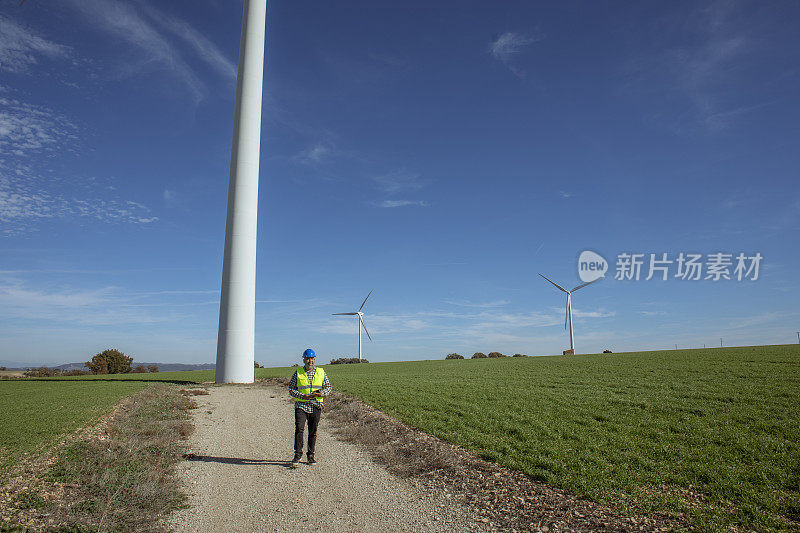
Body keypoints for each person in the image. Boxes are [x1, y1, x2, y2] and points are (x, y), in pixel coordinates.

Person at [288, 348, 331, 464]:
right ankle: (297, 455)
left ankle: (310, 456)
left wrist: (321, 394)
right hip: (301, 405)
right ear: (304, 360)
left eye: (312, 359)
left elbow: (328, 387)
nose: (310, 361)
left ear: (314, 359)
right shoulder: (298, 372)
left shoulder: (321, 372)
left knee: (313, 431)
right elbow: (291, 389)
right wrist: (302, 396)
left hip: (316, 405)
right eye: (307, 359)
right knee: (299, 429)